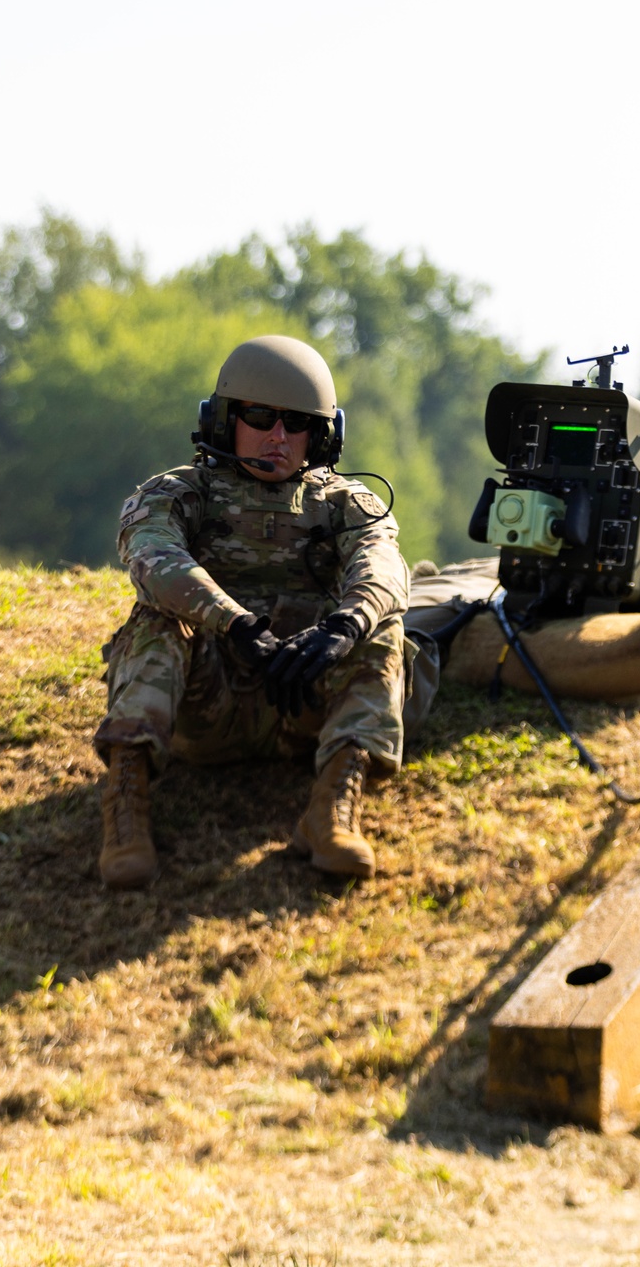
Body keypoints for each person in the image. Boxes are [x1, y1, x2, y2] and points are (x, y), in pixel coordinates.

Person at [93, 333, 412, 889]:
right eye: (261, 416)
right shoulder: (178, 493)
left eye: (298, 423)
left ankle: (334, 809)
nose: (278, 437)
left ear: (323, 435)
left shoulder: (346, 505)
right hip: (205, 708)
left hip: (305, 700)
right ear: (223, 420)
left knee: (382, 629)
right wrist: (234, 624)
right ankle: (125, 808)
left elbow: (383, 566)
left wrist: (343, 627)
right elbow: (153, 558)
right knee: (159, 621)